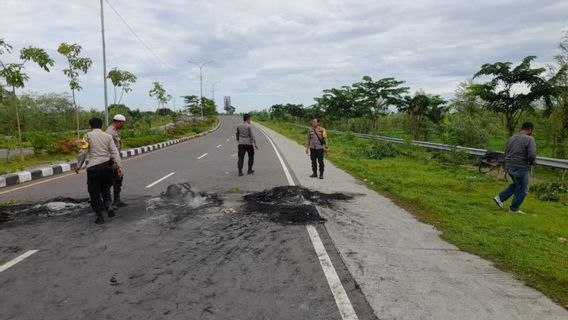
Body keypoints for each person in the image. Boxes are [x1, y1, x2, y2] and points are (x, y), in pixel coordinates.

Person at [76, 117, 124, 224]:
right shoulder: (107, 136)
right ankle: (108, 206)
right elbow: (115, 152)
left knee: (94, 193)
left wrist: (78, 165)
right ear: (101, 125)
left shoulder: (87, 136)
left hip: (93, 167)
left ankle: (100, 217)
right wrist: (119, 167)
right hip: (107, 166)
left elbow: (83, 152)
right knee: (106, 189)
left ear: (91, 126)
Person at [493, 122, 537, 214]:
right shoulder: (530, 139)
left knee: (517, 184)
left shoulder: (512, 138)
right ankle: (514, 209)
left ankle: (500, 198)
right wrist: (532, 162)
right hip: (520, 166)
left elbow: (506, 151)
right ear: (530, 130)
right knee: (523, 188)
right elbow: (532, 155)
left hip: (509, 165)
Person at [106, 114, 127, 207]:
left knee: (117, 179)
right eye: (122, 123)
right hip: (111, 161)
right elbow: (108, 149)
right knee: (110, 181)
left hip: (114, 159)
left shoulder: (114, 131)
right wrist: (115, 163)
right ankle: (107, 202)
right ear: (118, 122)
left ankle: (116, 200)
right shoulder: (109, 132)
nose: (123, 125)